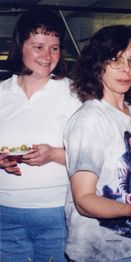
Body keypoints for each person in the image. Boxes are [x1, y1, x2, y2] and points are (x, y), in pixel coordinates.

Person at [63, 25, 131, 261]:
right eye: (115, 60)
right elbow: (84, 200)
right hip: (103, 251)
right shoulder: (90, 119)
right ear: (98, 65)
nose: (126, 69)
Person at [0, 7, 81, 262]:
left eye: (54, 47)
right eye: (38, 46)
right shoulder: (1, 93)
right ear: (20, 45)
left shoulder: (75, 94)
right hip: (4, 213)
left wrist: (55, 154)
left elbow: (95, 155)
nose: (47, 56)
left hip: (58, 212)